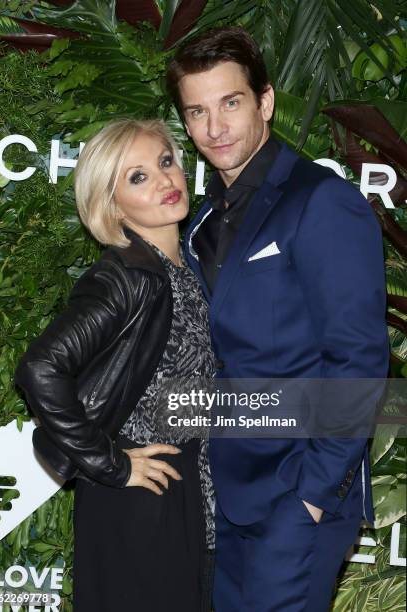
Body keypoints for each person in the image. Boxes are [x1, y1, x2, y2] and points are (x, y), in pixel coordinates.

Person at [166, 27, 389, 612]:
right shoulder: (203, 220)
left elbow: (360, 358)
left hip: (297, 495)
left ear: (264, 101)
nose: (214, 127)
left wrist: (313, 495)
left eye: (230, 103)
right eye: (197, 111)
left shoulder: (321, 201)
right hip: (225, 494)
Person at [14, 118, 215, 612]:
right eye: (138, 177)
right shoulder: (125, 276)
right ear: (111, 204)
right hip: (143, 494)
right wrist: (112, 464)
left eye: (165, 162)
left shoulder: (188, 268)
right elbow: (40, 368)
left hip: (190, 488)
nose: (165, 180)